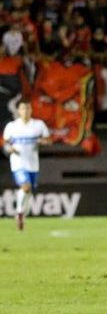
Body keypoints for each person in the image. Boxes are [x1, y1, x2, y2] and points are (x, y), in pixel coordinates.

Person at [2, 99, 52, 231]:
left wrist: (43, 142)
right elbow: (5, 144)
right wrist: (9, 149)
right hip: (18, 162)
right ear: (18, 111)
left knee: (29, 191)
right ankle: (19, 213)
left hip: (33, 163)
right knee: (25, 186)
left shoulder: (38, 125)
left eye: (28, 108)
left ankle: (22, 214)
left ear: (31, 110)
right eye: (23, 109)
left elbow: (48, 140)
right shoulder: (12, 126)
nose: (26, 111)